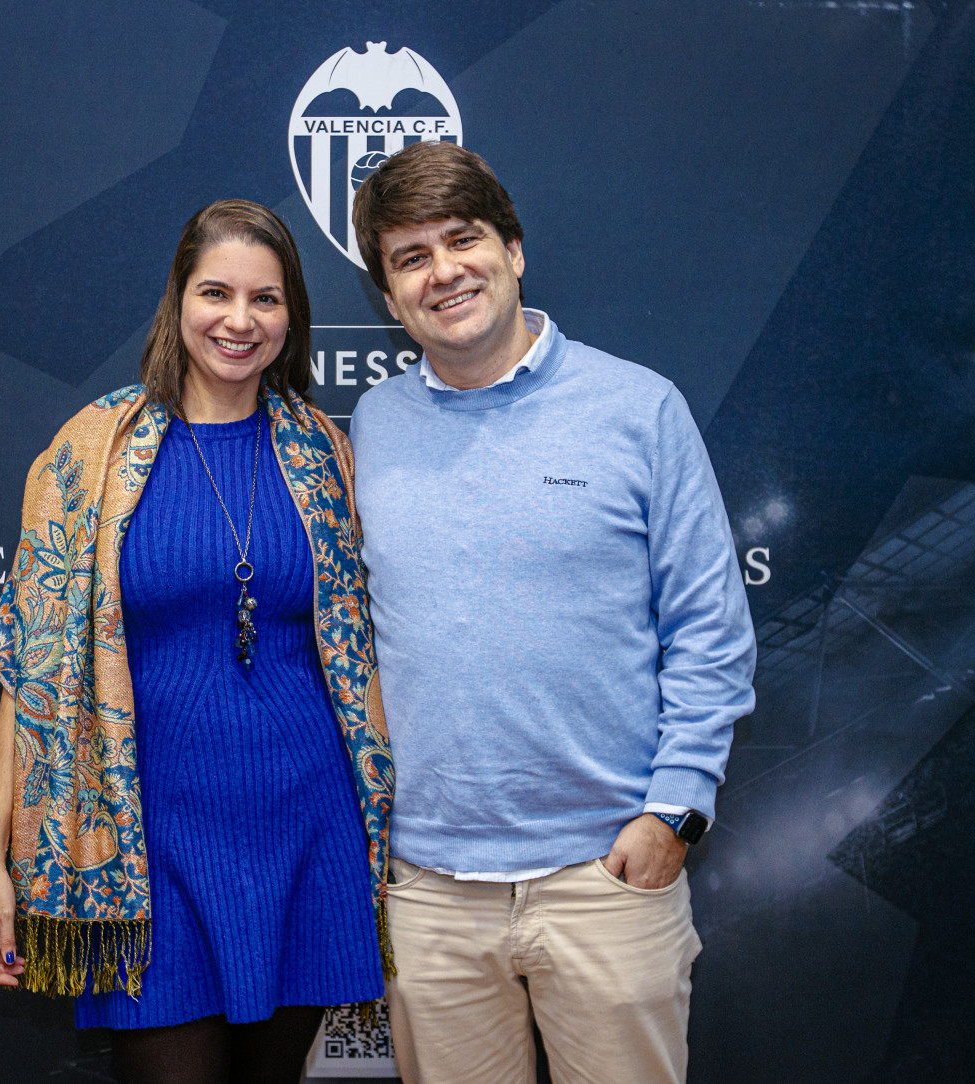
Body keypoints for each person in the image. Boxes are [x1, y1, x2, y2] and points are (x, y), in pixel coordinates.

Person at [348, 141, 756, 1084]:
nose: (444, 271)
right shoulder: (373, 426)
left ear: (514, 249)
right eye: (411, 258)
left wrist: (673, 817)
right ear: (390, 296)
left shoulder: (640, 409)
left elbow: (710, 630)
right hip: (431, 893)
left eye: (464, 239)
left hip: (605, 879)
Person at [0, 199, 393, 1084]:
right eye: (216, 293)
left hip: (307, 831)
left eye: (266, 299)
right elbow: (32, 677)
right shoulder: (91, 452)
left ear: (292, 316)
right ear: (178, 301)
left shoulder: (324, 452)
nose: (240, 320)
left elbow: (362, 658)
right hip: (143, 847)